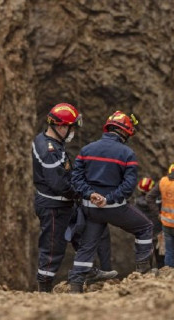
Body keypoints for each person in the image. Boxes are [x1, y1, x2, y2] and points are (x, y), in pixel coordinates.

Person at [32, 103, 116, 292]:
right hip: (54, 206)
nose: (73, 133)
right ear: (60, 126)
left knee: (82, 236)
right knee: (53, 246)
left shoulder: (50, 143)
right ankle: (44, 288)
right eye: (71, 128)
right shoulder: (49, 151)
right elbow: (58, 183)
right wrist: (82, 193)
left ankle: (88, 271)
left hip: (64, 204)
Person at [68, 111, 153, 293]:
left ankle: (75, 286)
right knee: (145, 227)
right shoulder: (127, 153)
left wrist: (90, 194)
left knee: (86, 247)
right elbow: (129, 186)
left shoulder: (86, 150)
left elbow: (75, 179)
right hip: (115, 208)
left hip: (91, 208)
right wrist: (109, 198)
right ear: (125, 132)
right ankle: (143, 271)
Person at [136, 177, 164, 268]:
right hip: (158, 232)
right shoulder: (157, 202)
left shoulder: (137, 202)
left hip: (144, 234)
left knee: (146, 258)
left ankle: (146, 274)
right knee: (161, 258)